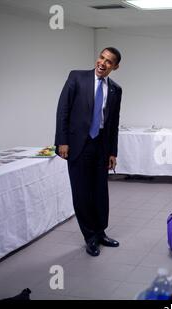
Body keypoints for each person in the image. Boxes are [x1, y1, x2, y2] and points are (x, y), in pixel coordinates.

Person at [55, 47, 123, 256]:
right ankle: (90, 237)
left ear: (115, 67)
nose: (103, 63)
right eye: (101, 58)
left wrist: (113, 152)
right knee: (82, 193)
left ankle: (101, 231)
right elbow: (63, 110)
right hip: (77, 145)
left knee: (100, 192)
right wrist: (62, 141)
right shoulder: (76, 78)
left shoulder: (115, 90)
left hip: (101, 145)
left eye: (109, 61)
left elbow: (113, 124)